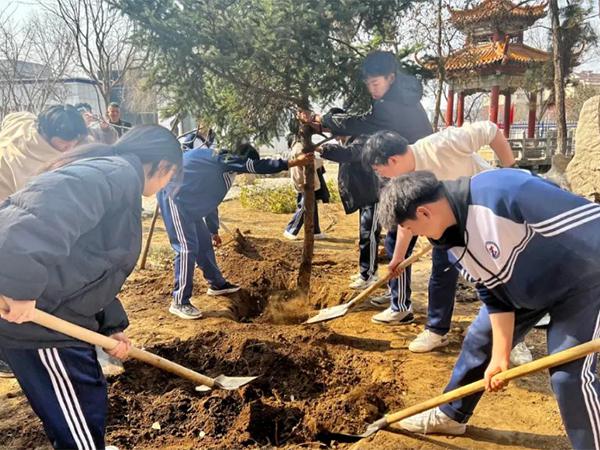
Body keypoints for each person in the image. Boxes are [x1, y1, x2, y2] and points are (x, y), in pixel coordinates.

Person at [378, 170, 600, 450]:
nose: (415, 235)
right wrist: (499, 357)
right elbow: (494, 296)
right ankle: (451, 416)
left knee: (570, 377)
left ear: (424, 213)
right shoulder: (451, 244)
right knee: (480, 340)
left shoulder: (507, 192)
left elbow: (594, 228)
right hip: (521, 289)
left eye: (411, 229)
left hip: (582, 286)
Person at [0, 125, 182, 450]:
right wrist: (19, 288)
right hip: (40, 326)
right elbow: (22, 226)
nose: (167, 184)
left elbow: (94, 264)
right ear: (163, 165)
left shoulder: (115, 178)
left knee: (85, 409)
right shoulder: (110, 177)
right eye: (171, 176)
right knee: (79, 421)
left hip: (60, 314)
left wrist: (111, 325)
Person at [361, 122, 518, 355]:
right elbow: (407, 222)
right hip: (447, 222)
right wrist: (397, 258)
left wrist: (510, 169)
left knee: (499, 274)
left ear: (392, 160)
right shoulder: (404, 181)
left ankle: (515, 340)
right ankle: (436, 330)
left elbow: (490, 130)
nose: (380, 175)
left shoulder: (442, 144)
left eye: (378, 169)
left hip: (486, 211)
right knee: (442, 271)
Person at [299, 50, 433, 301]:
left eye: (376, 83)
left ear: (390, 78)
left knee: (399, 239)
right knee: (397, 239)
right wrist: (322, 125)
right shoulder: (402, 99)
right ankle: (397, 295)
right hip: (411, 171)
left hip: (414, 175)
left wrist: (319, 118)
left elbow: (359, 124)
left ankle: (399, 303)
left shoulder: (390, 105)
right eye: (368, 84)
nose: (372, 89)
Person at [158, 142, 312, 320]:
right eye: (241, 167)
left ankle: (217, 284)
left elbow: (209, 197)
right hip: (175, 198)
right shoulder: (223, 158)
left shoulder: (218, 168)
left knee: (204, 244)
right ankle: (179, 301)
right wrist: (292, 162)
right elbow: (255, 166)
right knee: (186, 248)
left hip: (189, 201)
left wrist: (212, 229)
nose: (242, 171)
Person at [0, 104, 88, 377]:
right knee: (12, 290)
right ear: (45, 134)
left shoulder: (26, 121)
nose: (70, 146)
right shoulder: (30, 162)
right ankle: (6, 353)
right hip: (7, 213)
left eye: (76, 140)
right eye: (65, 143)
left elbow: (13, 117)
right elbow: (38, 211)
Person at [315, 108, 381, 289]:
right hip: (365, 196)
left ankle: (369, 275)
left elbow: (350, 154)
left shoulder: (363, 139)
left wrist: (322, 149)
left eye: (336, 132)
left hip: (374, 196)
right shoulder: (354, 139)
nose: (336, 138)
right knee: (365, 235)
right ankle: (367, 271)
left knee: (370, 236)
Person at [0, 104, 88, 200]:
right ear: (47, 134)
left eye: (75, 142)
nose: (70, 148)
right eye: (64, 144)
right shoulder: (38, 167)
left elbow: (14, 117)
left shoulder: (23, 123)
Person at [283, 134, 329, 240]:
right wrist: (320, 160)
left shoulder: (297, 147)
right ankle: (290, 230)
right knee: (304, 207)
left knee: (312, 207)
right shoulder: (300, 148)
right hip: (305, 183)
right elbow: (309, 163)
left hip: (304, 182)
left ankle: (315, 232)